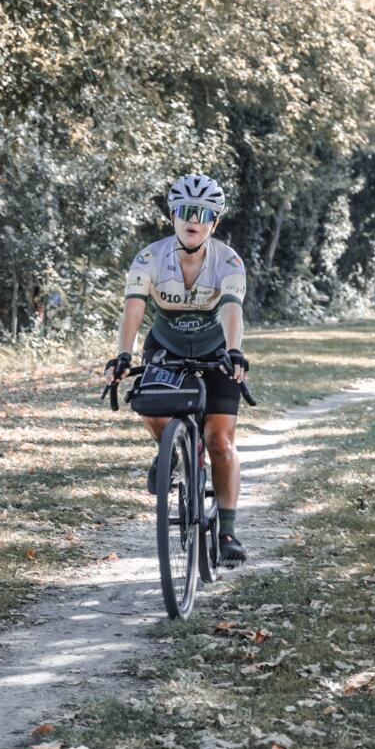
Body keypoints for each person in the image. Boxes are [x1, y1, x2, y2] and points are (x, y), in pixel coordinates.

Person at [103, 174, 250, 567]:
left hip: (216, 350)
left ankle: (227, 531)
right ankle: (169, 451)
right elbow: (133, 309)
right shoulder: (150, 258)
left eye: (203, 213)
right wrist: (122, 355)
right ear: (173, 216)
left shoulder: (229, 261)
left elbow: (232, 310)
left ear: (215, 222)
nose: (193, 220)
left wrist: (234, 352)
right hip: (166, 347)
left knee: (220, 442)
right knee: (152, 408)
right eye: (186, 211)